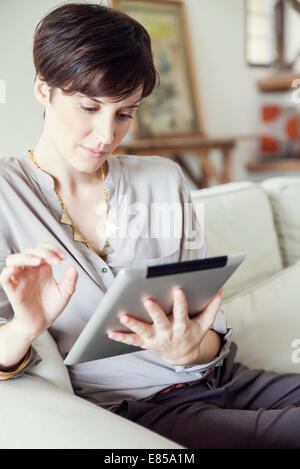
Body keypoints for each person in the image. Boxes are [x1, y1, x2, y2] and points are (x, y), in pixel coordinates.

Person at [0, 2, 299, 450]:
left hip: (223, 378)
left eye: (124, 113)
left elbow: (207, 327)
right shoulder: (6, 197)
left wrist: (190, 350)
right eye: (88, 107)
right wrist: (24, 327)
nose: (106, 134)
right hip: (135, 408)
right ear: (44, 90)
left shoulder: (161, 178)